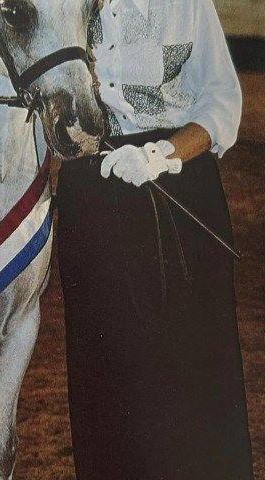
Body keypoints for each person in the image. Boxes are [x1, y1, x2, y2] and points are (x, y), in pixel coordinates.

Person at [57, 0, 255, 479]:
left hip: (178, 188)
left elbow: (222, 99)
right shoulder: (64, 6)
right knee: (108, 379)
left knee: (191, 374)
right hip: (94, 194)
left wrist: (162, 155)